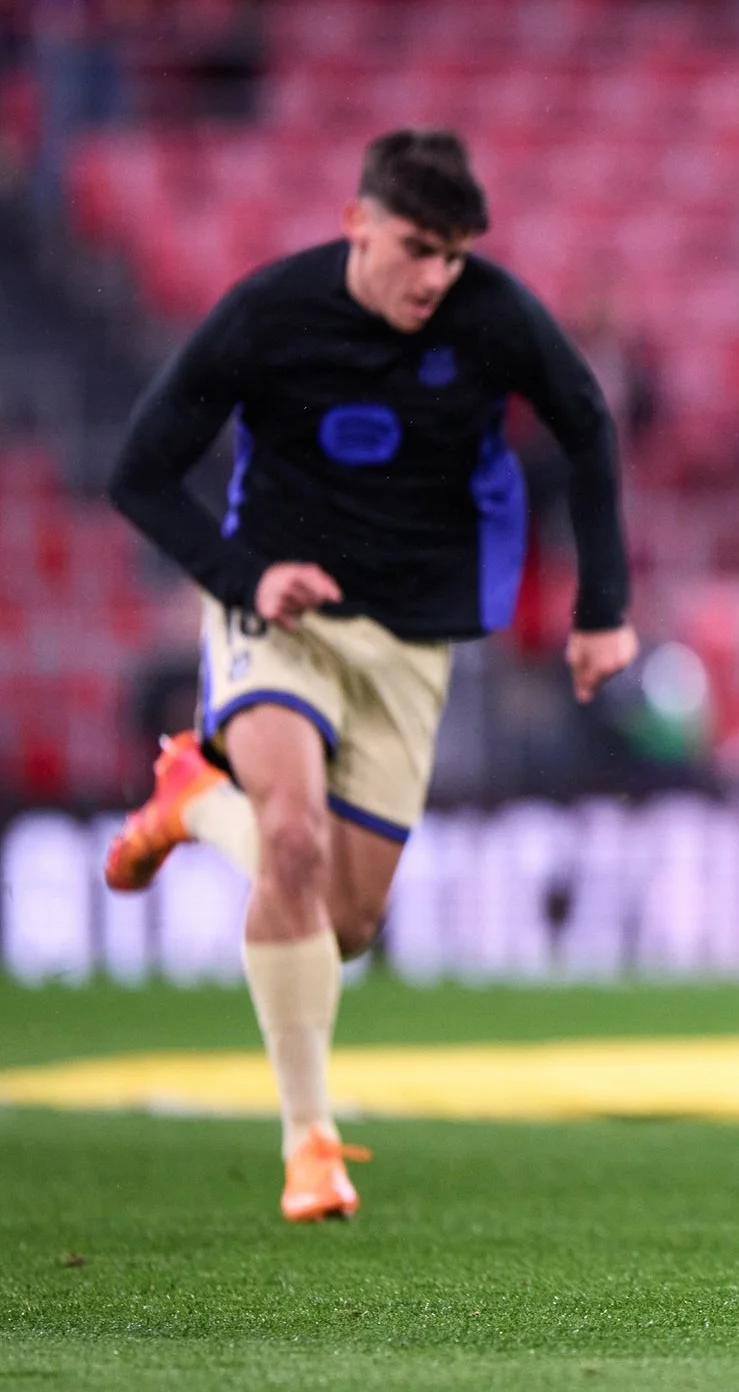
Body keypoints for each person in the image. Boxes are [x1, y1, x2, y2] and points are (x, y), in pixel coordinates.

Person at [103, 131, 638, 1222]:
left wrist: (602, 611)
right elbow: (140, 474)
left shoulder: (492, 314)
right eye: (416, 249)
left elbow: (587, 427)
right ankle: (309, 1143)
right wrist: (246, 576)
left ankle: (194, 803)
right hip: (278, 619)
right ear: (357, 223)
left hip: (409, 638)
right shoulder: (269, 314)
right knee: (292, 839)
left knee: (345, 923)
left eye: (453, 255)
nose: (434, 277)